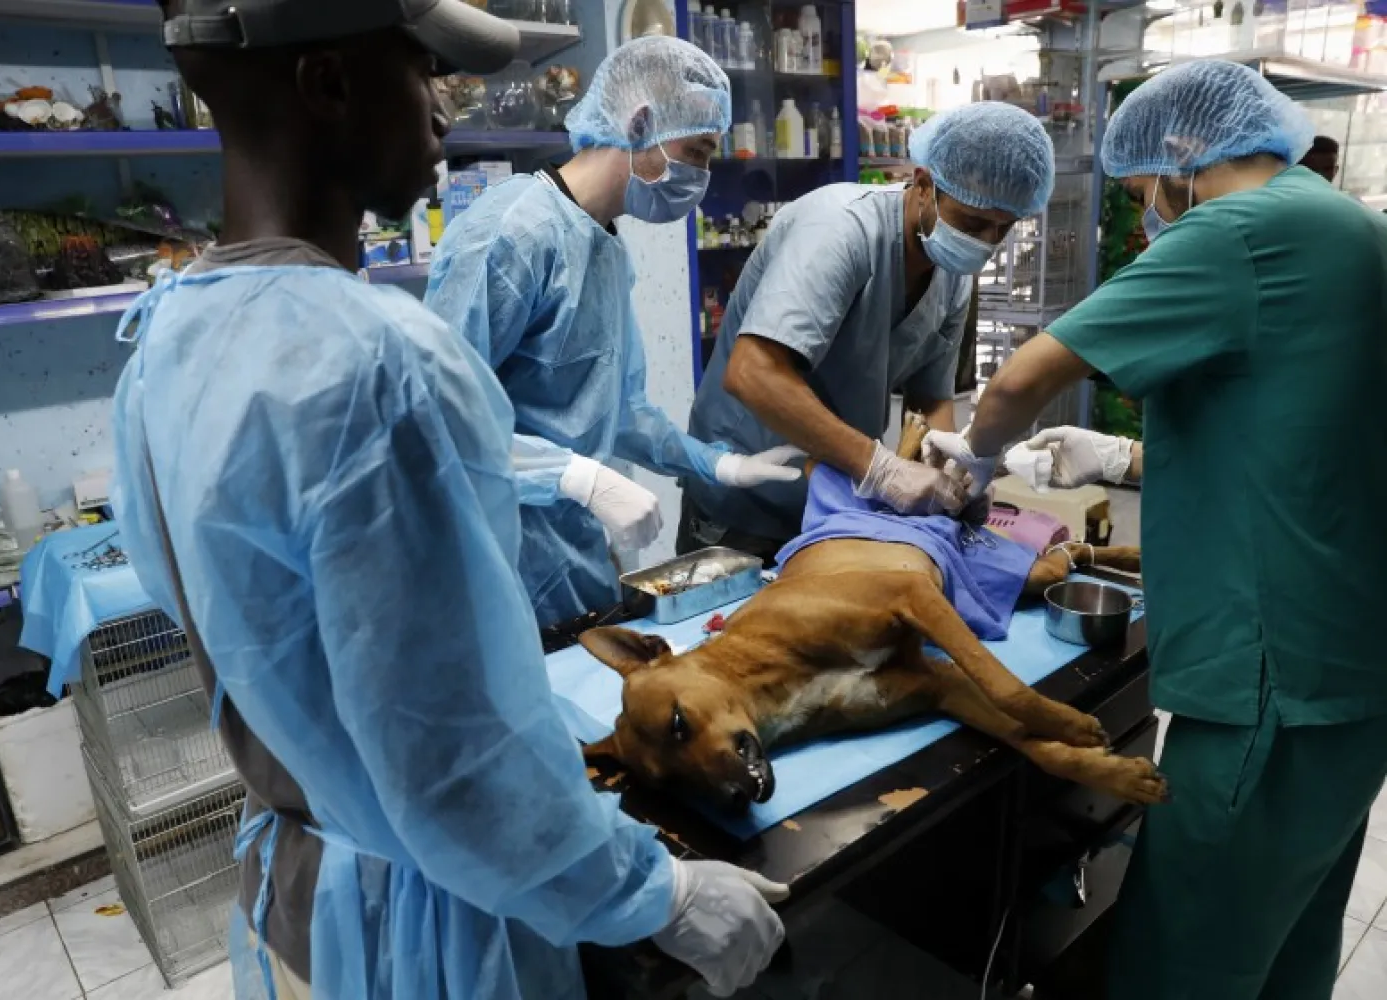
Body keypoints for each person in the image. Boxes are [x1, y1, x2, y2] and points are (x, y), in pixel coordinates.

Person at [110, 2, 787, 998]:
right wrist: (654, 895)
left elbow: (271, 653)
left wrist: (713, 468)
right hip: (432, 922)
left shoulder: (165, 339)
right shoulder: (379, 366)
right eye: (422, 71)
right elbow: (459, 756)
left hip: (306, 885)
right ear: (330, 83)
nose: (443, 112)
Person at [924, 60, 1387, 999]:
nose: (1146, 220)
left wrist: (970, 456)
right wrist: (1123, 460)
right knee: (1287, 944)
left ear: (1182, 154)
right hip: (1348, 668)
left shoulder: (1239, 228)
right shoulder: (1345, 224)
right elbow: (1293, 432)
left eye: (1141, 195)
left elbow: (1021, 378)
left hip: (1272, 678)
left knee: (1184, 962)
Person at [426, 36, 802, 629]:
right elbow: (436, 421)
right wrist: (577, 476)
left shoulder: (602, 247)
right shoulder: (511, 234)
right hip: (493, 567)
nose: (701, 176)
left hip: (568, 564)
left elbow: (618, 413)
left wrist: (717, 466)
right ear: (641, 122)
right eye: (696, 151)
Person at [681, 102, 1056, 562]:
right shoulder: (840, 230)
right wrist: (881, 469)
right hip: (745, 499)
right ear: (923, 185)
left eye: (1004, 228)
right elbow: (752, 373)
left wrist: (952, 474)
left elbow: (930, 399)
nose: (985, 243)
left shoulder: (952, 270)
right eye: (973, 223)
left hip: (835, 505)